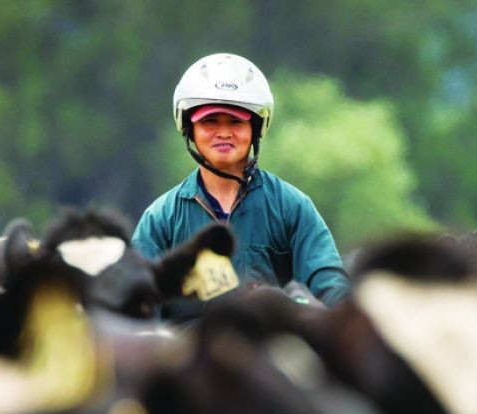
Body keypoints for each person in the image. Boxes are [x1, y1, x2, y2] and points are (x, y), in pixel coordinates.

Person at [131, 53, 350, 323]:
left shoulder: (292, 206)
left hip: (273, 355)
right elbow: (136, 307)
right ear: (190, 128)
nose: (223, 132)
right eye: (210, 121)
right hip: (186, 359)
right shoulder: (161, 218)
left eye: (235, 121)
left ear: (255, 129)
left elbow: (330, 285)